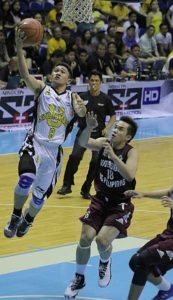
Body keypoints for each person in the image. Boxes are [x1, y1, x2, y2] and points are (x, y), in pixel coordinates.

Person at [4, 27, 86, 238]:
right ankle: (15, 215)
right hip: (35, 143)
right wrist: (20, 48)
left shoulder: (73, 98)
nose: (57, 72)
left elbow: (84, 115)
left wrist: (81, 111)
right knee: (25, 179)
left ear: (69, 79)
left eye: (63, 71)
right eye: (55, 70)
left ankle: (28, 219)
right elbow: (24, 73)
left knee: (39, 198)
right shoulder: (43, 90)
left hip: (53, 153)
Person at [64, 112, 138, 298]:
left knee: (102, 240)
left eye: (120, 129)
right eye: (116, 127)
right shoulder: (104, 142)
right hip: (100, 199)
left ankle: (105, 262)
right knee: (85, 238)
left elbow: (129, 175)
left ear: (128, 136)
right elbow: (83, 143)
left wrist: (113, 156)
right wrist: (88, 127)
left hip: (120, 204)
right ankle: (79, 278)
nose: (115, 130)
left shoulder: (131, 152)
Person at [126, 144, 173, 300]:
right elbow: (169, 192)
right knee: (135, 262)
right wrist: (143, 194)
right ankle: (167, 289)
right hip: (171, 234)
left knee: (143, 260)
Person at [57, 69, 116, 199]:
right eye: (92, 80)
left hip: (99, 135)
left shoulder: (105, 99)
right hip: (84, 133)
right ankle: (67, 186)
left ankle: (86, 188)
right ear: (88, 82)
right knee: (74, 156)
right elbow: (73, 113)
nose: (94, 83)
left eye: (96, 80)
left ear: (101, 82)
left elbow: (113, 116)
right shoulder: (82, 97)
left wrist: (108, 128)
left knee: (96, 161)